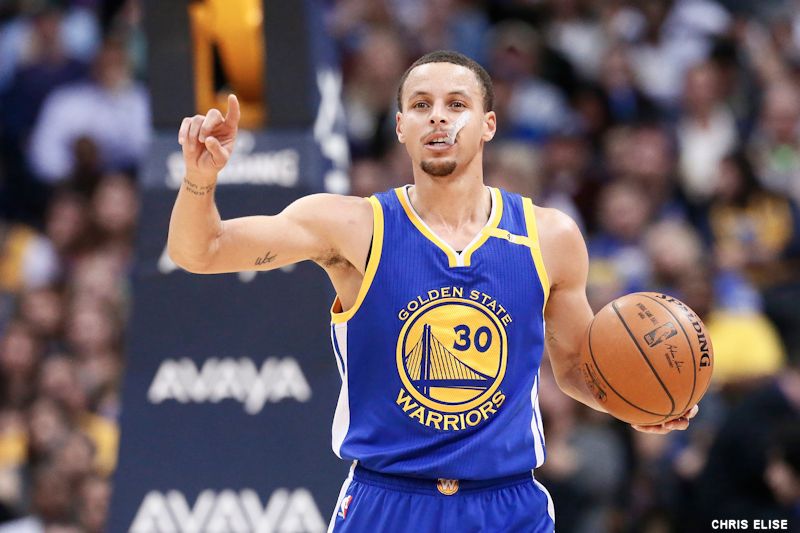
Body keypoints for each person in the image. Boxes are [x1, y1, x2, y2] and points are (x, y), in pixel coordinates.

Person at [167, 51, 697, 532]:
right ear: (401, 126)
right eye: (421, 105)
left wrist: (639, 403)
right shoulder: (350, 226)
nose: (438, 117)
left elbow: (579, 368)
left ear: (488, 124)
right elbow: (202, 252)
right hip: (387, 501)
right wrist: (199, 179)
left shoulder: (549, 236)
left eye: (456, 104)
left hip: (507, 504)